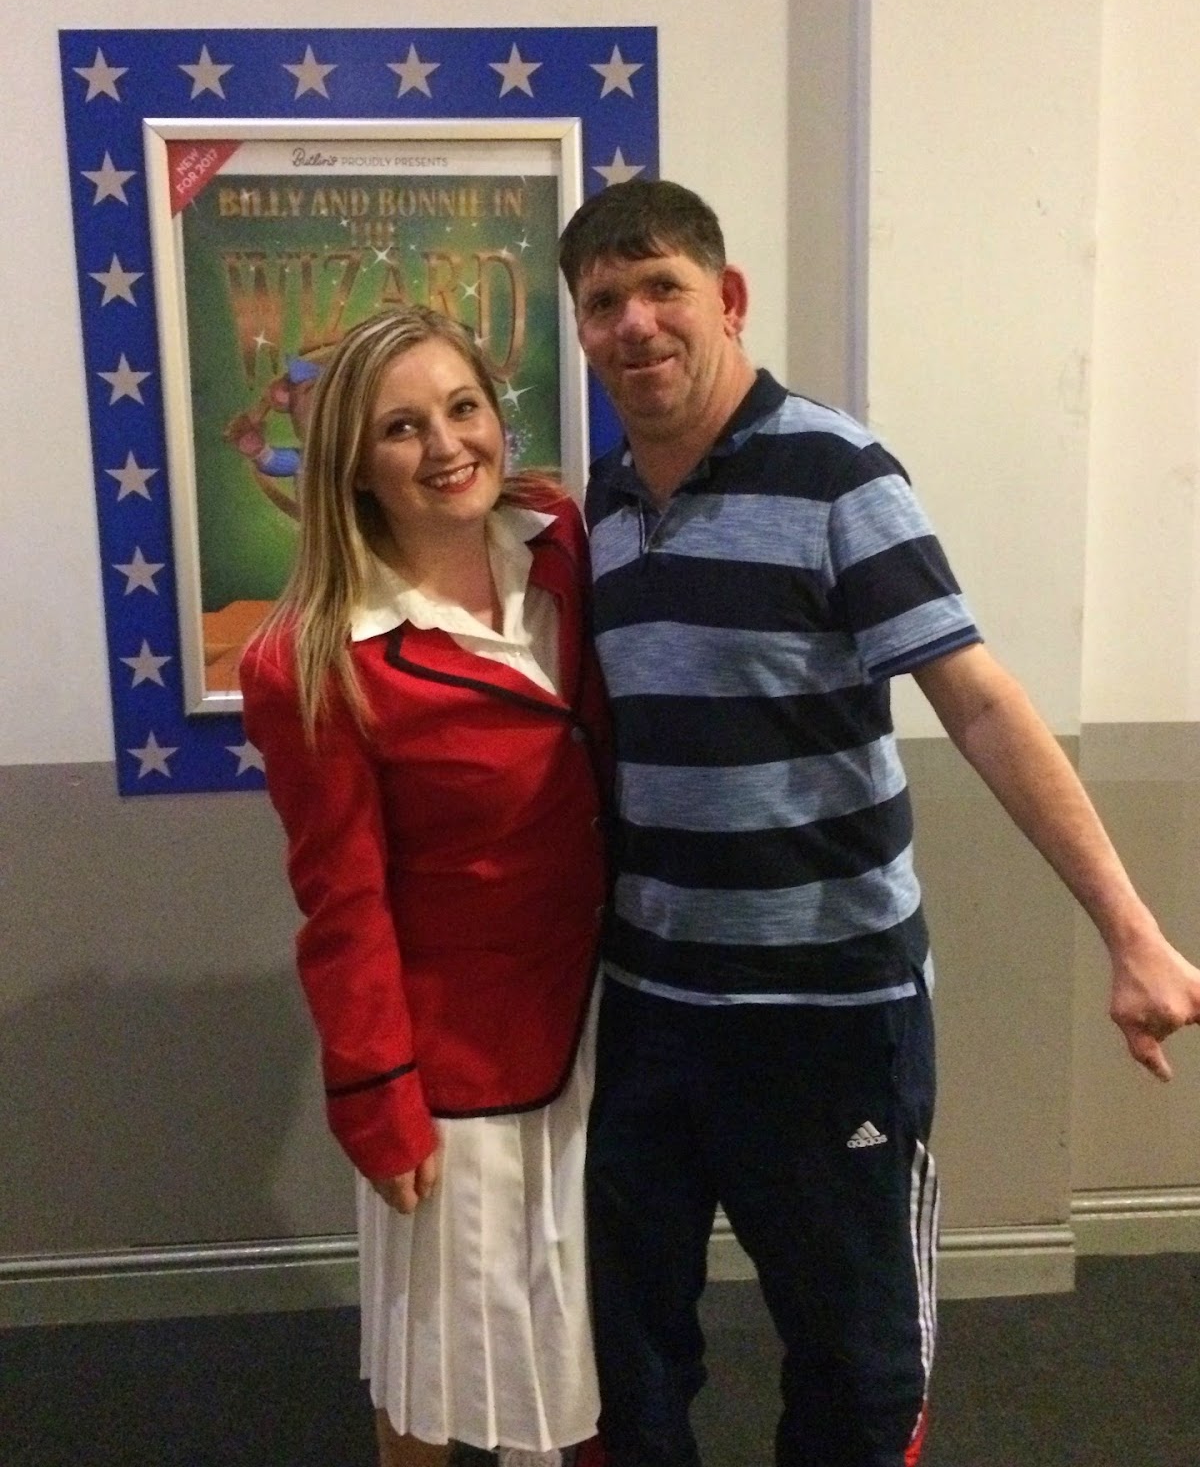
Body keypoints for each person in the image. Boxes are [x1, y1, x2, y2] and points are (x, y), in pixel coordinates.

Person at [556, 178, 1200, 1467]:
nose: (635, 323)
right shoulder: (605, 503)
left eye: (663, 287)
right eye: (604, 301)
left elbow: (981, 703)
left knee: (856, 1369)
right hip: (654, 1004)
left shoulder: (836, 471)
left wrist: (1131, 931)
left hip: (829, 1015)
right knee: (624, 1361)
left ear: (728, 299)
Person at [239, 306, 610, 1467]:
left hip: (608, 1015)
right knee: (440, 1357)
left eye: (463, 408)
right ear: (354, 461)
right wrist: (375, 1093)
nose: (447, 445)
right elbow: (341, 901)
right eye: (402, 428)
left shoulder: (563, 539)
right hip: (455, 1062)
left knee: (583, 1342)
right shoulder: (312, 656)